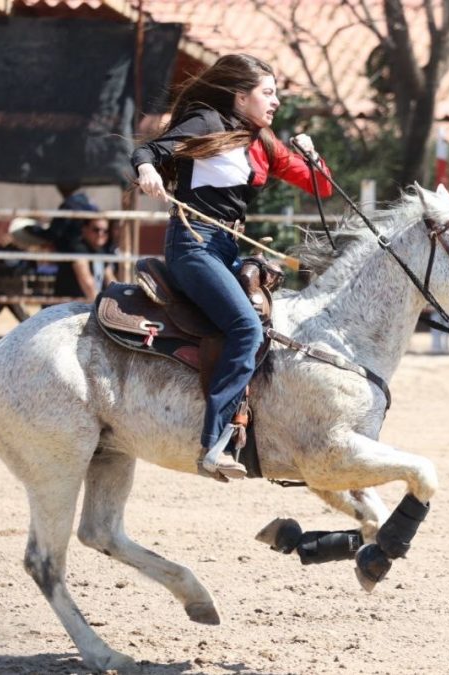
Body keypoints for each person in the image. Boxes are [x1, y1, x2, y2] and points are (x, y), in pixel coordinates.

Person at [132, 53, 333, 480]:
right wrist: (147, 170)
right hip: (194, 245)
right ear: (241, 97)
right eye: (267, 93)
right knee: (246, 328)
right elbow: (148, 151)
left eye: (276, 93)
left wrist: (314, 159)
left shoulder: (262, 141)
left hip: (225, 247)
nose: (275, 101)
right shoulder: (207, 122)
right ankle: (215, 441)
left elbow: (321, 186)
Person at [52, 216, 116, 303]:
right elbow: (87, 283)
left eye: (105, 231)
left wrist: (119, 299)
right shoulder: (78, 249)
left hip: (87, 305)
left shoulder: (101, 252)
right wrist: (100, 307)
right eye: (96, 229)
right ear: (84, 229)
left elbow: (111, 280)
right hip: (69, 308)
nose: (101, 234)